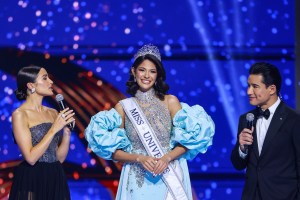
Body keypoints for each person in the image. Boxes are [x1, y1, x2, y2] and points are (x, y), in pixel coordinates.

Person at [85, 44, 215, 200]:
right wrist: (139, 158)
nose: (147, 75)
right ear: (134, 71)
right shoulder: (124, 107)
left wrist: (167, 158)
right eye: (142, 70)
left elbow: (191, 139)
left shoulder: (170, 102)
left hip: (169, 175)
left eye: (152, 71)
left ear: (158, 75)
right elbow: (115, 152)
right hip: (136, 179)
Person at [230, 62, 300, 200]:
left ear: (272, 89)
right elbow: (237, 164)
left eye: (255, 87)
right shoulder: (246, 119)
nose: (249, 92)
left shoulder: (294, 120)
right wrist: (242, 148)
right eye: (249, 86)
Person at [9, 65, 75, 200]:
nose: (51, 82)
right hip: (32, 178)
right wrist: (54, 129)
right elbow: (31, 158)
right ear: (30, 85)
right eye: (45, 78)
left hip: (56, 176)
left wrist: (67, 133)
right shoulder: (20, 115)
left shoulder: (53, 112)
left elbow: (59, 158)